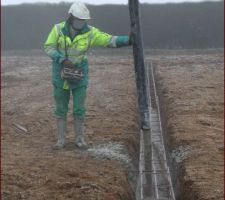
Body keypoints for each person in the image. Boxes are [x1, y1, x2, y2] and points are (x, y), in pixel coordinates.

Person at [44, 1, 132, 150]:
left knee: (79, 108)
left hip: (79, 75)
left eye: (83, 20)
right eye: (78, 20)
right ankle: (61, 140)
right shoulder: (58, 29)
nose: (80, 23)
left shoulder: (90, 32)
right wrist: (61, 59)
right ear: (71, 17)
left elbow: (108, 40)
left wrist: (128, 40)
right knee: (61, 108)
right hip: (60, 75)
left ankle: (79, 140)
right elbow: (49, 47)